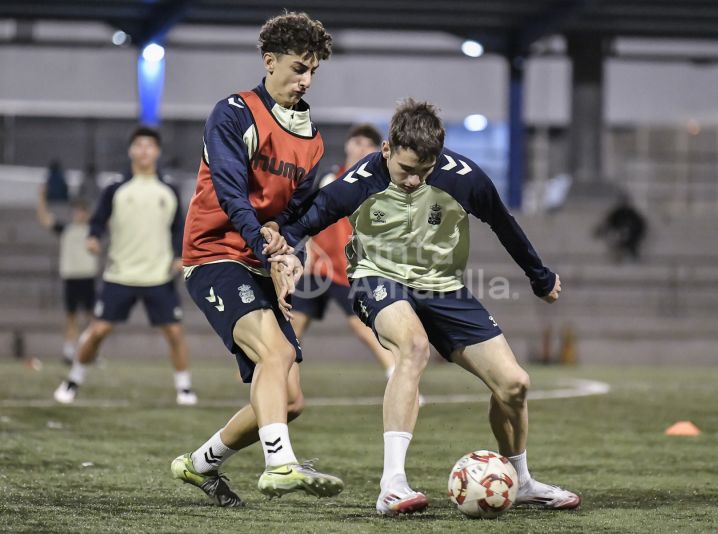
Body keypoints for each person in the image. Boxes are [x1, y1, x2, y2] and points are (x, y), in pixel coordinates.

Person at [279, 98, 581, 516]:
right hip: (378, 278)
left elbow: (504, 224)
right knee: (415, 348)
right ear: (386, 150)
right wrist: (287, 256)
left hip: (443, 287)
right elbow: (304, 222)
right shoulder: (359, 179)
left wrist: (539, 276)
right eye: (405, 170)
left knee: (515, 385)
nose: (413, 181)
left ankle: (522, 481)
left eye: (424, 171)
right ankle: (392, 484)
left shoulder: (464, 178)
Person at [169, 12, 343, 508]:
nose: (304, 79)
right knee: (278, 353)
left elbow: (295, 212)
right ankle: (279, 464)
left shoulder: (312, 138)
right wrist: (263, 241)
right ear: (269, 62)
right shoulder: (234, 112)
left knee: (290, 401)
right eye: (296, 67)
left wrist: (287, 249)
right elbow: (229, 188)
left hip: (258, 257)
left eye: (311, 71)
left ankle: (199, 465)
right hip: (214, 255)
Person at [53, 126, 197, 406]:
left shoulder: (168, 190)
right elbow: (97, 221)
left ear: (157, 152)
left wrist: (180, 255)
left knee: (175, 332)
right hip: (120, 274)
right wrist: (94, 237)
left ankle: (185, 388)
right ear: (131, 151)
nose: (144, 151)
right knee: (97, 332)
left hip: (158, 276)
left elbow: (179, 227)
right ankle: (73, 380)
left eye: (149, 146)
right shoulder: (115, 189)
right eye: (139, 145)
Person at [292, 124, 395, 377]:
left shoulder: (379, 187)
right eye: (357, 141)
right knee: (293, 327)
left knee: (364, 328)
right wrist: (303, 250)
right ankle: (278, 379)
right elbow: (304, 214)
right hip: (317, 266)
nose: (361, 147)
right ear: (348, 145)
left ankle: (399, 376)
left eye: (368, 143)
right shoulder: (327, 177)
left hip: (350, 269)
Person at [36, 189, 99, 364]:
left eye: (82, 211)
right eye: (76, 211)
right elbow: (44, 219)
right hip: (71, 278)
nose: (79, 214)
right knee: (71, 317)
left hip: (87, 278)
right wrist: (41, 198)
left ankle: (92, 352)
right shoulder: (67, 229)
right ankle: (69, 352)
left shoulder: (93, 231)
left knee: (92, 318)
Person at [594, 192, 647, 262]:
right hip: (622, 242)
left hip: (631, 241)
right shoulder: (618, 213)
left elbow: (641, 227)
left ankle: (627, 257)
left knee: (629, 253)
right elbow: (607, 224)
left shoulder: (631, 214)